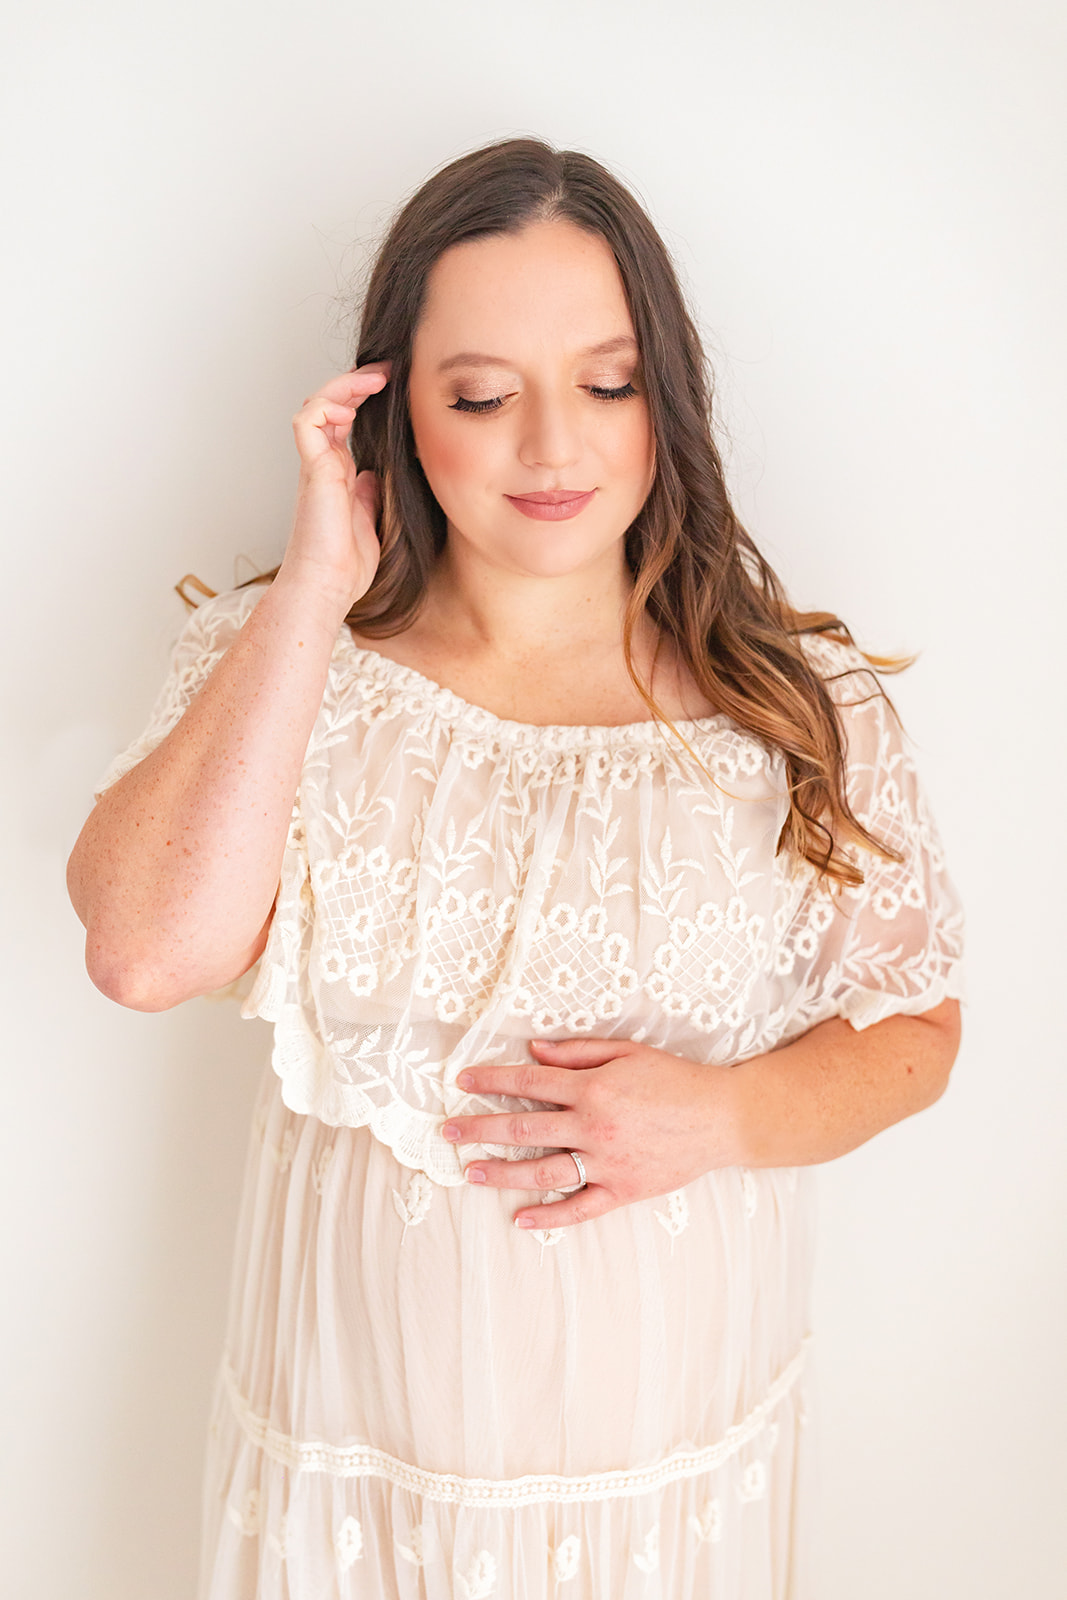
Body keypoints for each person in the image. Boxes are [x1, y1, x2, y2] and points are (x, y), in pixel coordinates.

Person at [67, 137, 965, 1599]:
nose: (553, 448)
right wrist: (312, 592)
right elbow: (144, 954)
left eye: (606, 386)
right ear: (394, 417)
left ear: (667, 400)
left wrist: (725, 1117)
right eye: (483, 396)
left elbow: (918, 1032)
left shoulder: (802, 710)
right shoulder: (290, 674)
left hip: (674, 1490)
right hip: (352, 1492)